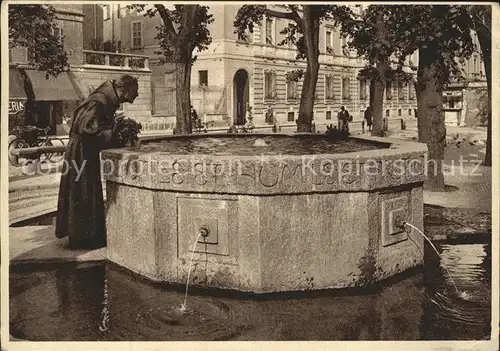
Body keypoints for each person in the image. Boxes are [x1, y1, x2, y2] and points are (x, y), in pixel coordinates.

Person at [55, 75, 139, 249]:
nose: (137, 95)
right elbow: (88, 129)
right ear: (124, 89)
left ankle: (84, 236)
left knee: (83, 191)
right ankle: (82, 238)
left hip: (83, 151)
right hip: (81, 152)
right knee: (82, 191)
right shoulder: (100, 101)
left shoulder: (103, 99)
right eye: (135, 90)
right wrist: (113, 132)